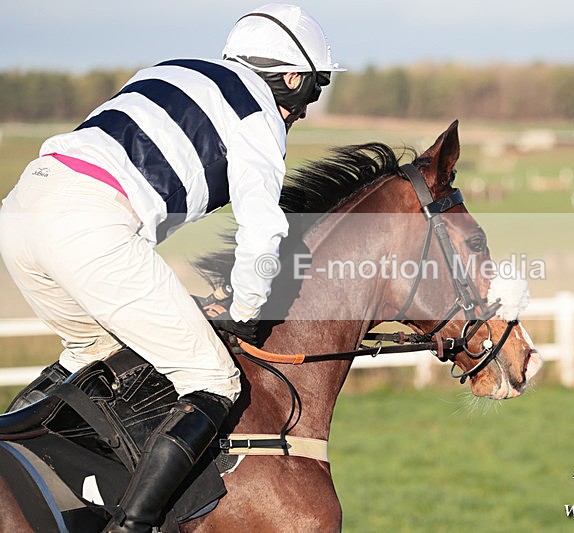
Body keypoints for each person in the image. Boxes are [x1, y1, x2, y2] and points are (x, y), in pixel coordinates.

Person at [0, 4, 344, 531]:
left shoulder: (170, 70)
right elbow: (262, 227)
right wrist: (247, 308)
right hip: (90, 224)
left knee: (95, 357)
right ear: (293, 79)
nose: (303, 111)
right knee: (214, 379)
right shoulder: (258, 114)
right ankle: (131, 526)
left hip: (22, 210)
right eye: (315, 89)